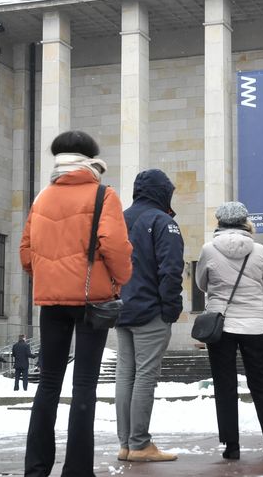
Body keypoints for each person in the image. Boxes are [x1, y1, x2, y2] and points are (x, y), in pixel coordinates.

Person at [20, 131, 133, 477]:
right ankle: (78, 470)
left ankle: (36, 468)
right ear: (91, 159)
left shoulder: (42, 197)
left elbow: (26, 253)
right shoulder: (103, 195)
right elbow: (115, 247)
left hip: (51, 302)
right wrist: (120, 277)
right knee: (84, 383)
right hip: (91, 301)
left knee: (48, 383)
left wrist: (50, 272)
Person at [196, 202, 263, 460]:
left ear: (220, 223)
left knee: (225, 384)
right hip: (256, 324)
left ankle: (231, 446)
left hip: (222, 324)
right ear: (245, 222)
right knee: (261, 384)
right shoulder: (258, 250)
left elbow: (202, 283)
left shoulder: (209, 250)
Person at [115, 169, 184, 463]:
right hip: (150, 310)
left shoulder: (119, 219)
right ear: (162, 193)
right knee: (144, 377)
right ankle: (140, 444)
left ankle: (126, 443)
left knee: (125, 376)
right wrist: (171, 308)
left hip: (122, 308)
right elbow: (171, 269)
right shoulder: (163, 222)